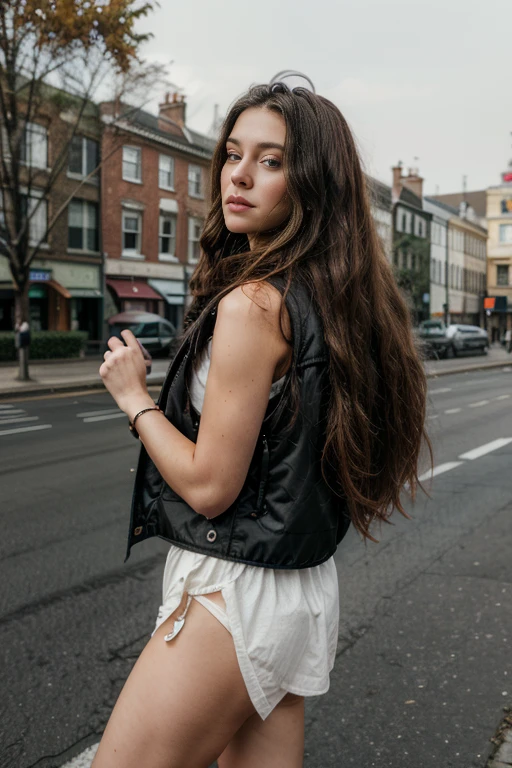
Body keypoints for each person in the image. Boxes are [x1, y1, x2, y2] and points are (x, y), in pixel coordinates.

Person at [95, 73, 431, 768]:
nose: (239, 176)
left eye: (271, 161)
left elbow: (211, 486)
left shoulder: (253, 305)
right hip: (298, 588)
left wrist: (134, 398)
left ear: (311, 182)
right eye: (233, 153)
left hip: (235, 588)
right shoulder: (334, 300)